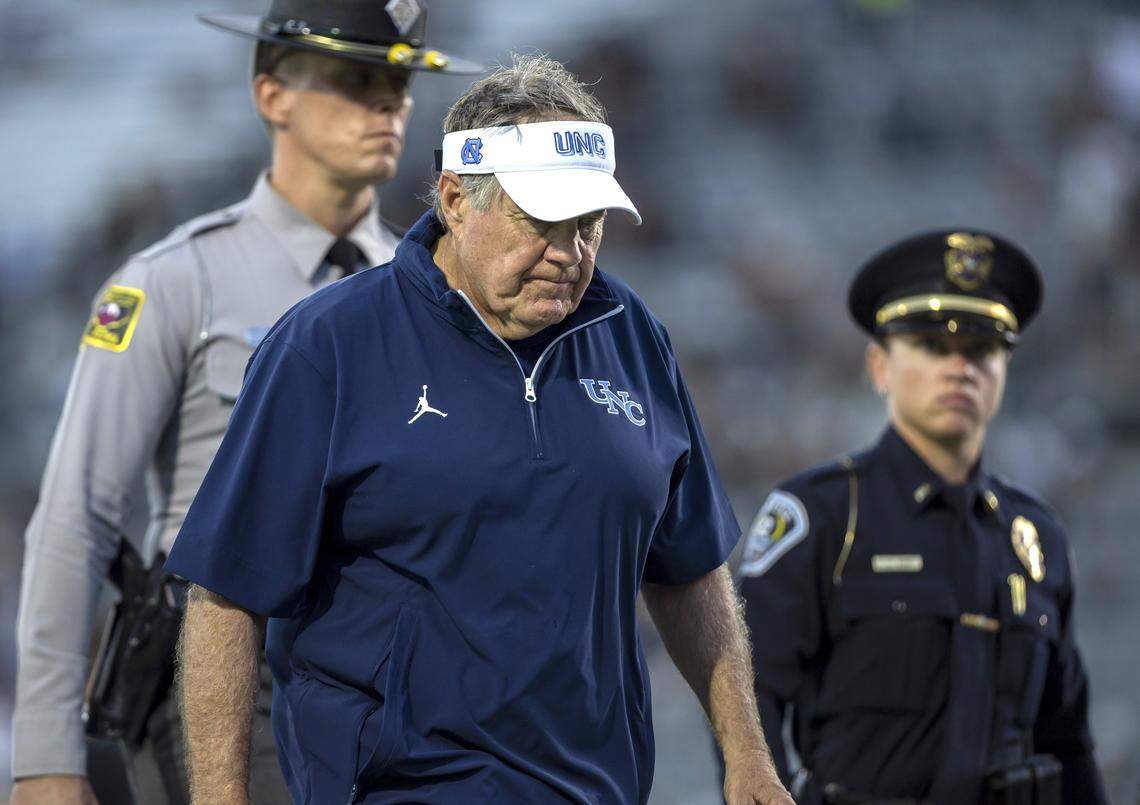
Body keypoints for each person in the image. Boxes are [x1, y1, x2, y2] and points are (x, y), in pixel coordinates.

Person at [166, 55, 794, 805]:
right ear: (456, 198)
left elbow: (688, 564)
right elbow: (227, 594)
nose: (569, 254)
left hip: (596, 790)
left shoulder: (634, 336)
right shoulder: (328, 346)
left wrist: (748, 754)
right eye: (541, 222)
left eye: (587, 224)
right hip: (393, 788)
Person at [11, 2, 479, 803]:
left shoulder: (432, 294)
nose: (388, 107)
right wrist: (45, 758)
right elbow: (76, 513)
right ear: (272, 97)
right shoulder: (171, 283)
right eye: (356, 80)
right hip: (231, 669)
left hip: (401, 682)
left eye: (398, 85)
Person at [738, 230, 1108, 805]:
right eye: (934, 347)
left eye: (984, 349)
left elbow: (1069, 741)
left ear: (1005, 369)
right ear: (880, 366)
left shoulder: (1036, 539)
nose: (960, 367)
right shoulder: (825, 514)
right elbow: (748, 698)